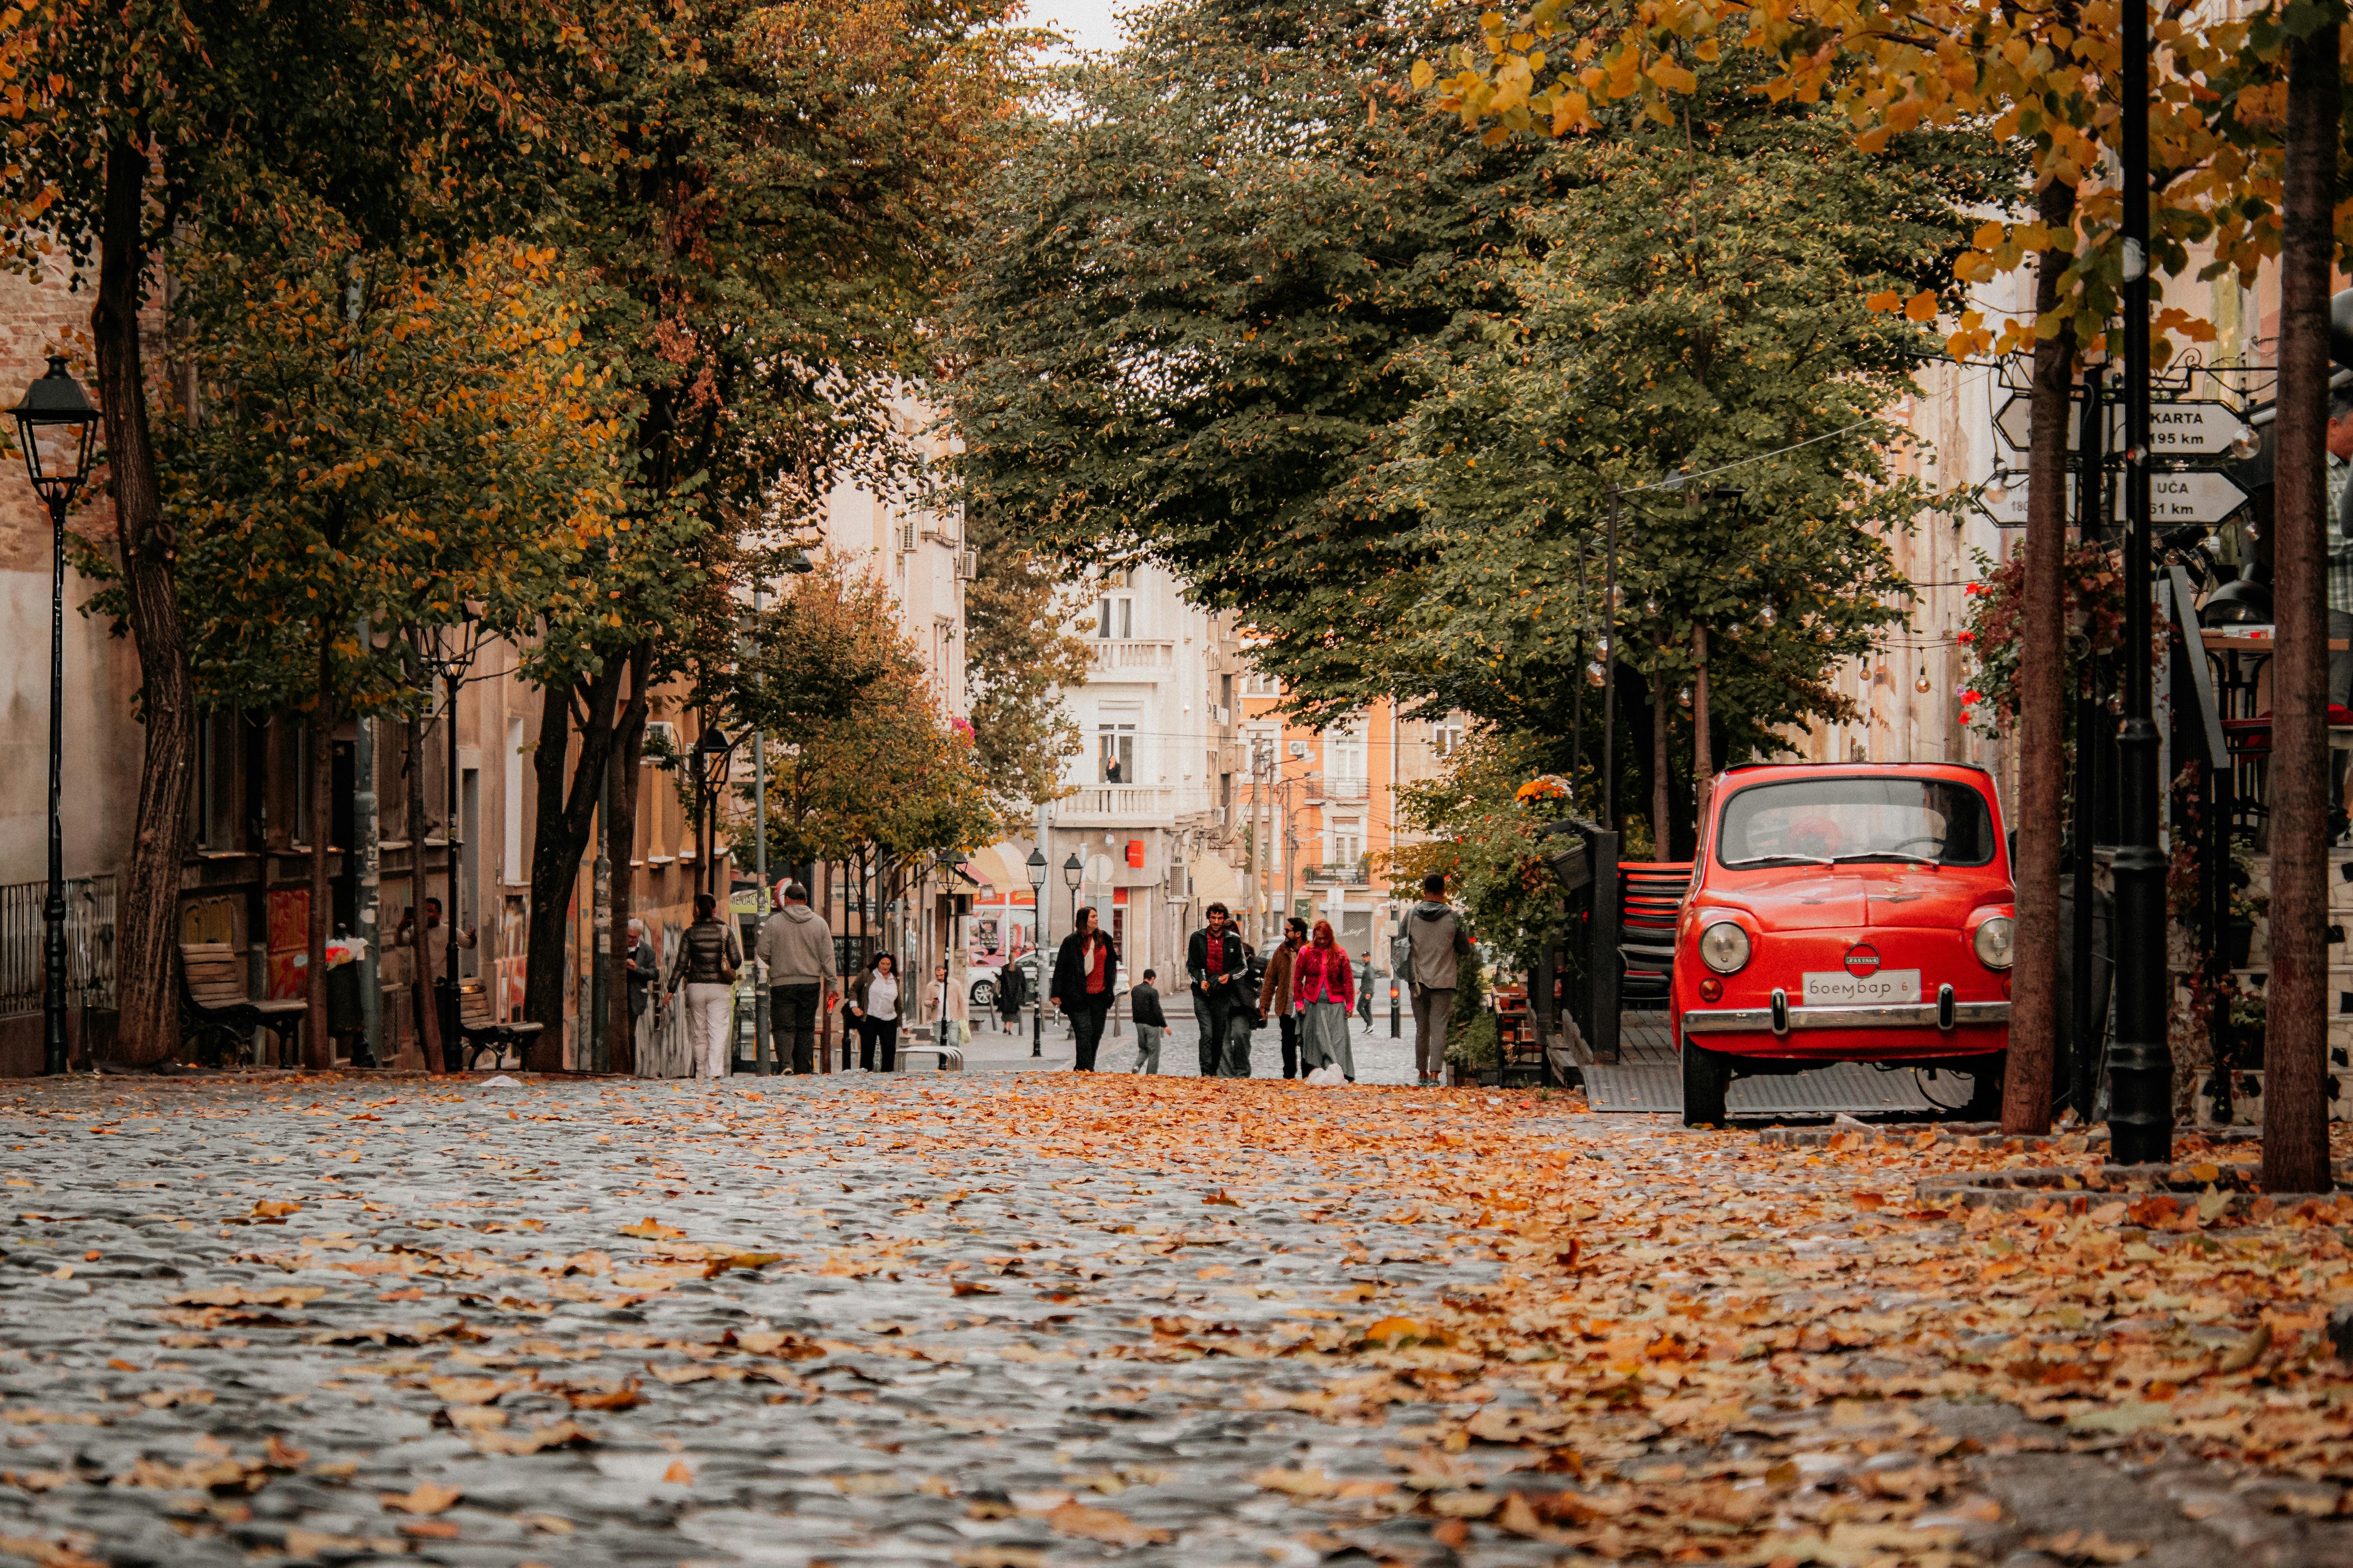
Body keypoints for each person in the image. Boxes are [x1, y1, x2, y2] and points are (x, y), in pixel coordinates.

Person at [754, 881, 837, 1075]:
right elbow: (828, 957)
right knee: (806, 1026)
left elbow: (762, 951)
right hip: (811, 983)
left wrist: (777, 962)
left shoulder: (774, 923)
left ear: (786, 900)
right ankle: (803, 1067)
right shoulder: (820, 923)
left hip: (782, 983)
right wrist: (832, 983)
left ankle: (786, 1065)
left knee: (783, 1026)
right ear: (806, 901)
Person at [664, 891, 742, 1084]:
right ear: (715, 910)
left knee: (699, 1031)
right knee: (718, 1029)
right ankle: (715, 1071)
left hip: (696, 987)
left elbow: (681, 964)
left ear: (697, 910)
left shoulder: (690, 934)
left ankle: (700, 1072)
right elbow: (737, 960)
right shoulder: (726, 932)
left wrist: (671, 990)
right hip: (720, 988)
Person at [1406, 872, 1472, 1087]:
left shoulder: (1411, 916)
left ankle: (1422, 1073)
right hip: (1444, 980)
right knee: (1439, 1027)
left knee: (1422, 1028)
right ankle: (1436, 1074)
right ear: (1444, 892)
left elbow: (1400, 947)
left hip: (1417, 981)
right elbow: (1465, 949)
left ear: (1424, 891)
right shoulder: (1453, 918)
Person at [1049, 906, 1120, 1071]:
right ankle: (1088, 1071)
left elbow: (1111, 964)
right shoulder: (1071, 942)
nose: (1097, 919)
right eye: (1093, 916)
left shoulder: (1105, 939)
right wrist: (1056, 994)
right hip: (1077, 995)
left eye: (1096, 916)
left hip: (1100, 996)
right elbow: (1061, 968)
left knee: (1095, 1034)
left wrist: (1110, 988)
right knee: (1084, 1032)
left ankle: (1083, 1068)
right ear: (1085, 920)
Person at [1186, 903, 1252, 1077]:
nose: (1216, 922)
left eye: (1220, 918)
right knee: (1207, 1032)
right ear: (1209, 918)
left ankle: (1217, 1070)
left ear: (1224, 919)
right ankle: (1207, 1071)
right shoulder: (1197, 938)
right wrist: (1200, 980)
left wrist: (1229, 976)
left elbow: (1242, 967)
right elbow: (1192, 965)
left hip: (1223, 993)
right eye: (1213, 918)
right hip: (1202, 993)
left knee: (1219, 1033)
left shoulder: (1233, 940)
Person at [1295, 919, 1357, 1082]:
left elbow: (1348, 980)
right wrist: (1299, 1002)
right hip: (1312, 1004)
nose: (1321, 942)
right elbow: (1297, 979)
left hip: (1336, 1004)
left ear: (1331, 937)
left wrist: (1350, 1004)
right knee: (1317, 1041)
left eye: (1325, 938)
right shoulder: (1305, 952)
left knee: (1337, 1041)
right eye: (1318, 938)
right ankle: (1318, 1075)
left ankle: (1338, 1074)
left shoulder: (1341, 953)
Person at [1258, 917, 1305, 1078]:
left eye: (1288, 931)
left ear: (1298, 934)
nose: (1285, 933)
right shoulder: (1282, 951)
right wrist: (1264, 1005)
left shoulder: (1311, 951)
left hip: (1307, 1006)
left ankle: (1309, 1075)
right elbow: (1270, 979)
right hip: (1286, 1006)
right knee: (1288, 1043)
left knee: (1308, 1044)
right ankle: (1289, 1076)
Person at [846, 952, 901, 1072]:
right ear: (878, 963)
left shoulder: (894, 979)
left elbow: (898, 1002)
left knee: (889, 1048)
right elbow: (853, 990)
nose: (885, 967)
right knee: (868, 1048)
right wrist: (854, 1006)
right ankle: (866, 1073)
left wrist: (903, 1023)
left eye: (888, 964)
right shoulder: (868, 974)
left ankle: (887, 1075)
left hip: (889, 1018)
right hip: (870, 1017)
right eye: (883, 964)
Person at [625, 918, 657, 1059]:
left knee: (630, 1033)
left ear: (639, 936)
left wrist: (637, 969)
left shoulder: (647, 951)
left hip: (635, 997)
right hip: (618, 996)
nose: (630, 940)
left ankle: (630, 1065)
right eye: (629, 936)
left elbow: (654, 973)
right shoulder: (617, 946)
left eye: (634, 937)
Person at [925, 958, 968, 1057]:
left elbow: (962, 1002)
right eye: (937, 976)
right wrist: (933, 1003)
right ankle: (942, 1063)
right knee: (939, 1043)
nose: (939, 977)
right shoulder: (931, 985)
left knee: (954, 1041)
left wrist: (965, 1018)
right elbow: (925, 1002)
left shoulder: (955, 984)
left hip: (953, 1018)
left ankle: (955, 1062)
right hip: (938, 1019)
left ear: (946, 972)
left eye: (942, 975)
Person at [1129, 967, 1167, 1073]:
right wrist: (1164, 1025)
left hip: (1139, 1024)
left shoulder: (1135, 990)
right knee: (1154, 1052)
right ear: (1153, 978)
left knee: (1143, 1049)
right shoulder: (1153, 992)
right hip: (1152, 1026)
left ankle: (1136, 1066)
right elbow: (1157, 1010)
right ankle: (1151, 1075)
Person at [995, 954, 1026, 1033]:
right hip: (1016, 994)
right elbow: (1023, 982)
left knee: (1006, 1012)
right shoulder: (1019, 969)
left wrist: (996, 975)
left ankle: (1005, 1028)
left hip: (1006, 993)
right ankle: (1010, 1030)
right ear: (1015, 959)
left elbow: (1002, 979)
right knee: (1013, 1012)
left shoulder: (1005, 968)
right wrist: (1024, 993)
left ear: (1009, 959)